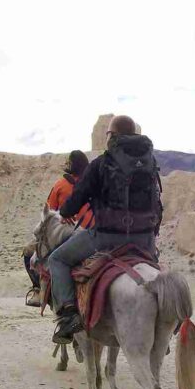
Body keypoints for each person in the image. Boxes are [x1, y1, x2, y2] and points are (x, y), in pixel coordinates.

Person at [48, 115, 162, 343]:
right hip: (145, 240)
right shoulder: (150, 163)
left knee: (56, 260)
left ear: (112, 136)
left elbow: (73, 202)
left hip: (107, 238)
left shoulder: (101, 163)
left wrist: (65, 213)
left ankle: (69, 315)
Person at [23, 150, 93, 307]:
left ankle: (38, 291)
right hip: (96, 232)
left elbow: (49, 214)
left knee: (29, 254)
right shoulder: (91, 183)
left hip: (70, 235)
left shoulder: (60, 185)